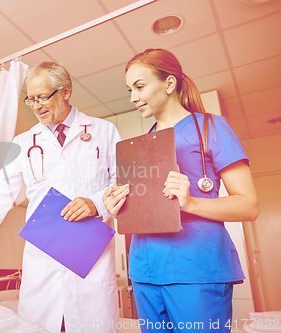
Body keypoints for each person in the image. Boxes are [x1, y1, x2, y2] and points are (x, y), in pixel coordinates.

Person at [0, 62, 122, 333]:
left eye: (43, 97)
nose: (37, 105)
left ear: (65, 91)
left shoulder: (104, 131)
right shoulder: (24, 142)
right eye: (31, 99)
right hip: (43, 262)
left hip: (90, 262)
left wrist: (96, 204)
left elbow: (122, 184)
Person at [103, 48, 259, 333]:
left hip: (196, 268)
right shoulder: (140, 146)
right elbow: (145, 210)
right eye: (129, 90)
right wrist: (117, 208)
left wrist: (191, 203)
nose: (132, 98)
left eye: (139, 87)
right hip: (145, 270)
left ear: (169, 84)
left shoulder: (212, 127)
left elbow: (249, 206)